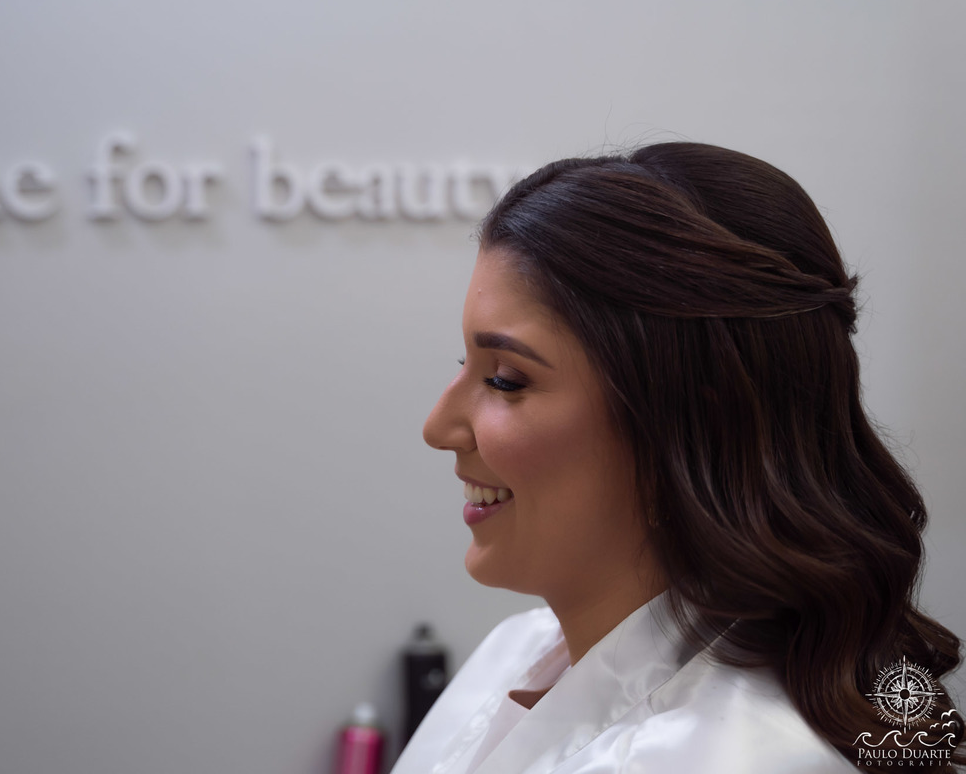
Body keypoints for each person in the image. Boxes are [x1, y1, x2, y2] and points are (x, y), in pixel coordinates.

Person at [395, 142, 963, 773]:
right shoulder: (510, 651)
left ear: (693, 423)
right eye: (466, 364)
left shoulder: (744, 758)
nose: (438, 428)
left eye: (506, 379)